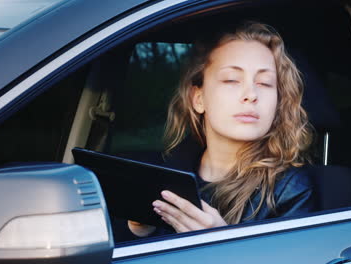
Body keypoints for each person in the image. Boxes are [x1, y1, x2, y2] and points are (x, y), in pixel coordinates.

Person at [128, 22, 317, 237]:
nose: (251, 94)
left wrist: (220, 242)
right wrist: (141, 230)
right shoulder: (165, 173)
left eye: (265, 83)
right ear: (198, 99)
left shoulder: (290, 190)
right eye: (231, 80)